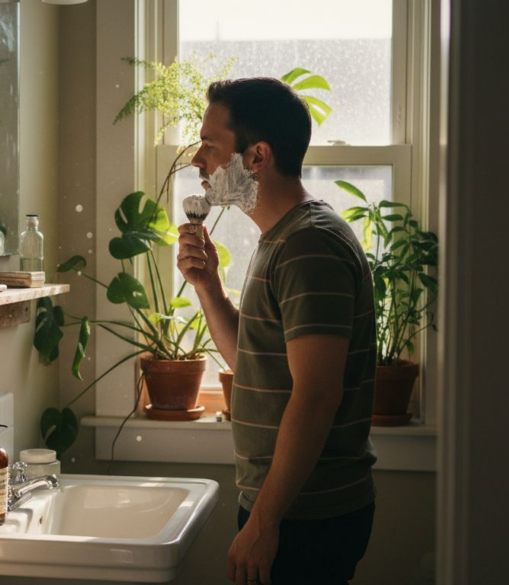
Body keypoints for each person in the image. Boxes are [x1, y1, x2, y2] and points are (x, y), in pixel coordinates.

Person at [176, 77, 377, 585]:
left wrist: (265, 521)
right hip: (286, 507)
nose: (198, 160)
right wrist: (208, 288)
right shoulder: (282, 238)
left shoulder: (309, 245)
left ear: (257, 156)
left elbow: (316, 395)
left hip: (304, 515)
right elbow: (253, 363)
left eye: (210, 145)